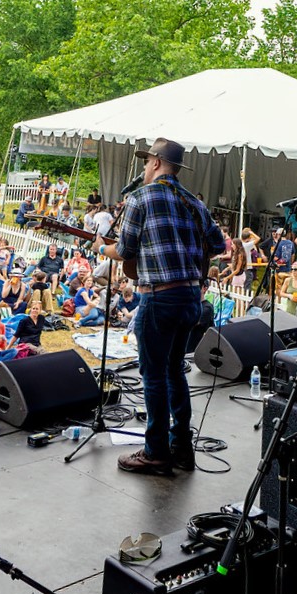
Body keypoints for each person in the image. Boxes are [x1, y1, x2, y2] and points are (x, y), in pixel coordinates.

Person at [97, 137, 225, 476]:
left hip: (159, 298)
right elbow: (218, 244)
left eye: (145, 162)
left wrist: (100, 247)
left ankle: (155, 452)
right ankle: (182, 447)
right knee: (173, 372)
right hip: (190, 299)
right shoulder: (193, 202)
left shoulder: (140, 198)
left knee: (153, 376)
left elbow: (124, 251)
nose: (143, 168)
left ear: (155, 163)